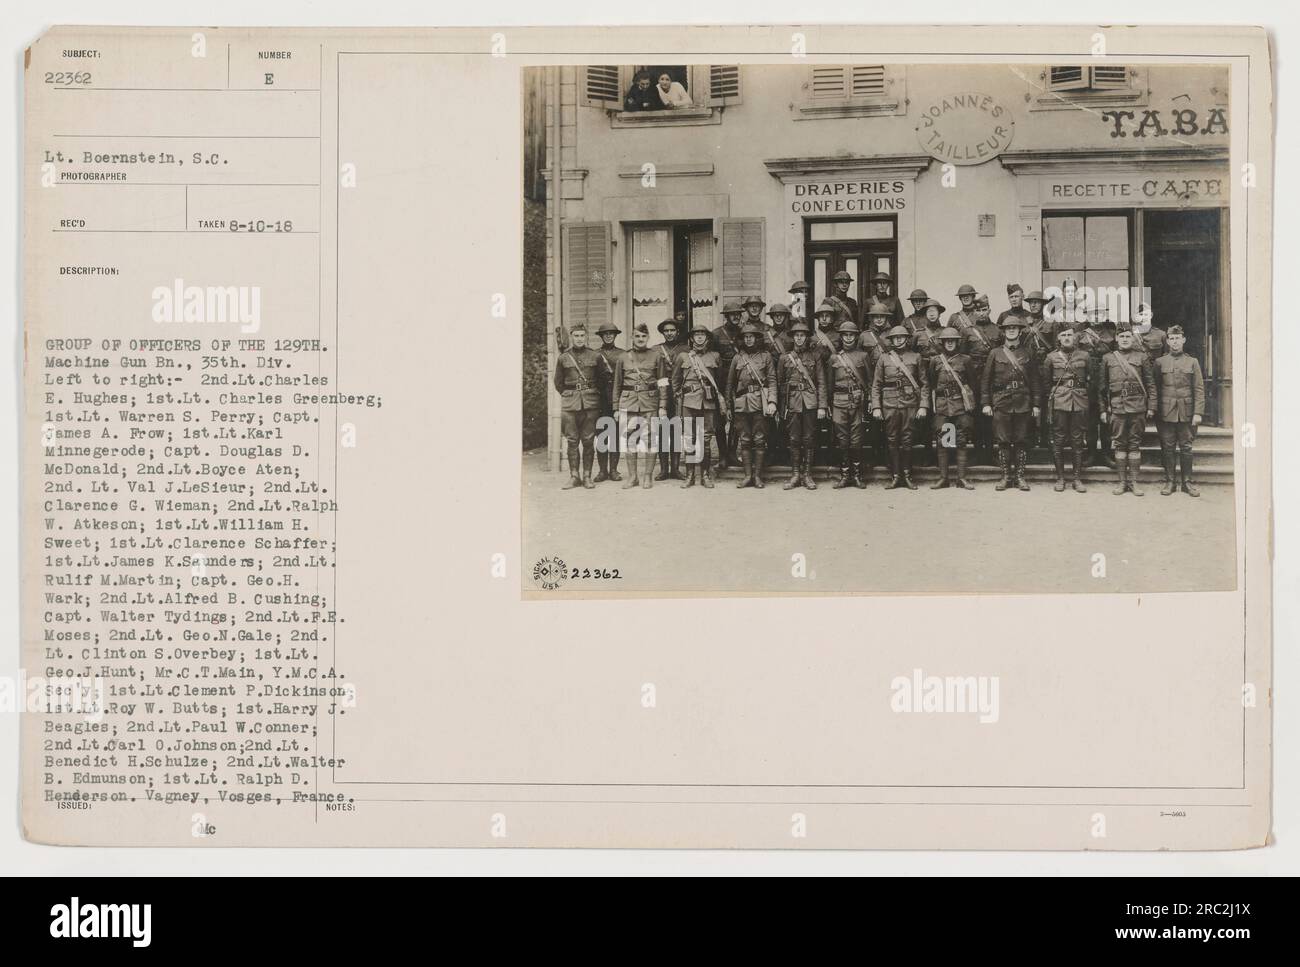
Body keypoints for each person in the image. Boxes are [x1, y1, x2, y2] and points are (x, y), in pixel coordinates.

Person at [981, 315, 1041, 492]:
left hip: (1023, 401)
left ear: (1020, 331)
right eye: (1008, 328)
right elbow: (986, 381)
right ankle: (1006, 476)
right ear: (1004, 331)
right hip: (1001, 401)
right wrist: (986, 403)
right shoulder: (995, 353)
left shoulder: (1028, 353)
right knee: (1003, 441)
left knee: (1021, 440)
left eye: (1015, 328)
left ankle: (1020, 477)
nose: (1012, 330)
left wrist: (1036, 404)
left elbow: (1035, 381)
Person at [1099, 324, 1157, 496]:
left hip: (1138, 406)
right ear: (1116, 338)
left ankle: (1134, 482)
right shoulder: (1108, 358)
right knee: (1119, 444)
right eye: (1121, 336)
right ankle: (1122, 482)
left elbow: (1150, 384)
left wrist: (1152, 406)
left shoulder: (1142, 357)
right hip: (1117, 407)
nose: (1124, 339)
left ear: (1132, 338)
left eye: (1127, 337)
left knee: (1134, 444)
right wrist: (1103, 409)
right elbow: (1101, 388)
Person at [871, 325, 930, 490]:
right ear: (891, 340)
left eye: (901, 337)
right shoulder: (883, 358)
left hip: (910, 403)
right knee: (891, 439)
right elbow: (876, 385)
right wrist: (876, 406)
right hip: (889, 404)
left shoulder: (916, 357)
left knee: (907, 439)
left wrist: (923, 406)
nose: (898, 340)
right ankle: (895, 476)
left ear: (906, 339)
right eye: (895, 338)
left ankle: (907, 475)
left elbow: (924, 384)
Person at [612, 321, 668, 489]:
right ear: (632, 337)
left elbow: (663, 382)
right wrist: (615, 408)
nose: (640, 339)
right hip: (628, 402)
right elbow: (617, 384)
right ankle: (633, 477)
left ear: (648, 337)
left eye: (644, 336)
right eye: (637, 336)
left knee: (651, 439)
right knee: (629, 440)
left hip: (650, 402)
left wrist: (663, 406)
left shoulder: (657, 356)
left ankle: (647, 476)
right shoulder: (623, 357)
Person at [1153, 324, 1205, 497]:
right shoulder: (1160, 362)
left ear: (1184, 340)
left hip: (1187, 412)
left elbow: (1198, 388)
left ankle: (1187, 483)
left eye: (1178, 338)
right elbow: (1156, 388)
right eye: (1172, 339)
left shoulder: (1192, 362)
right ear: (1167, 341)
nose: (1175, 342)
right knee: (1167, 448)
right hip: (1166, 412)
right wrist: (1156, 410)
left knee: (1186, 447)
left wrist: (1198, 412)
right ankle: (1170, 482)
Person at [1040, 326, 1093, 493]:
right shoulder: (1051, 357)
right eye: (1063, 335)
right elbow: (1046, 383)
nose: (1067, 338)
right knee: (1058, 439)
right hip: (1059, 401)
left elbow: (1091, 380)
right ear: (1058, 339)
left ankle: (1077, 479)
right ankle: (1060, 478)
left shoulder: (1085, 356)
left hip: (1079, 400)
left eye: (1070, 335)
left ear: (1075, 338)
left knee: (1078, 440)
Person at [552, 323, 604, 490]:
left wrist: (590, 394)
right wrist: (571, 394)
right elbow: (558, 383)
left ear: (586, 337)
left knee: (588, 441)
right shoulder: (563, 358)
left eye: (582, 336)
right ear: (572, 337)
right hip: (570, 404)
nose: (579, 339)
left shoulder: (595, 356)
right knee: (572, 441)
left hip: (590, 404)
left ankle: (587, 476)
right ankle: (574, 476)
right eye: (576, 336)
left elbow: (602, 381)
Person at [727, 320, 778, 488]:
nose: (749, 340)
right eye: (746, 337)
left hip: (759, 402)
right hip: (741, 403)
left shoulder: (766, 357)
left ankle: (757, 476)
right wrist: (728, 406)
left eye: (752, 337)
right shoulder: (737, 358)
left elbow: (772, 380)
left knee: (759, 439)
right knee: (745, 439)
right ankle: (747, 476)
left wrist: (772, 401)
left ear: (757, 339)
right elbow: (730, 385)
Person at [777, 319, 827, 490]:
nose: (799, 339)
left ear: (807, 338)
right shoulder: (784, 358)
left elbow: (821, 382)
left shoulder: (815, 356)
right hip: (792, 402)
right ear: (793, 338)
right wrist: (780, 407)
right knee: (793, 438)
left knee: (809, 438)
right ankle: (795, 474)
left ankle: (807, 475)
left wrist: (822, 406)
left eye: (802, 336)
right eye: (796, 336)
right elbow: (780, 383)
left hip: (810, 402)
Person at [672, 325, 723, 488]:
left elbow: (719, 381)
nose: (699, 338)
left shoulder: (715, 356)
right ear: (692, 338)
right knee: (689, 438)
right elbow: (675, 381)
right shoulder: (683, 357)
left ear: (707, 338)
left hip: (707, 402)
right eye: (696, 335)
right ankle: (690, 475)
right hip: (688, 402)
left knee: (705, 438)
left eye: (702, 335)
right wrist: (679, 398)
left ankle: (705, 475)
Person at [927, 327, 978, 490]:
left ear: (957, 342)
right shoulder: (935, 361)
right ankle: (944, 478)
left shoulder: (966, 360)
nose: (949, 343)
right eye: (946, 341)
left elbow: (972, 383)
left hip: (960, 406)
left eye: (952, 340)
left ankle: (961, 478)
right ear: (942, 343)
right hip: (942, 406)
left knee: (961, 440)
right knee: (944, 441)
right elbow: (932, 382)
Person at [828, 320, 875, 489]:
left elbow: (870, 382)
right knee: (842, 440)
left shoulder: (863, 356)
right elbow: (829, 384)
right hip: (838, 401)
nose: (848, 338)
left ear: (856, 337)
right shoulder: (834, 358)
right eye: (845, 335)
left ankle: (856, 475)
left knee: (856, 439)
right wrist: (828, 405)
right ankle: (844, 475)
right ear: (841, 337)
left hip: (858, 402)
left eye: (851, 335)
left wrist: (870, 400)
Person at [1072, 315, 1118, 468]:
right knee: (1090, 418)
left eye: (1099, 312)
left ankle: (1106, 453)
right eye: (1092, 312)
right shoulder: (1080, 335)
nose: (1096, 316)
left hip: (1107, 376)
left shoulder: (1112, 333)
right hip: (1088, 379)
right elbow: (1075, 357)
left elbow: (1117, 356)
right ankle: (1091, 453)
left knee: (1107, 417)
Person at [961, 293, 1001, 465]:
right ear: (974, 312)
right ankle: (977, 453)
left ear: (989, 310)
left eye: (984, 309)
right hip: (974, 379)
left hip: (993, 379)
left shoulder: (998, 330)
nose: (982, 313)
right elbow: (962, 356)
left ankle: (991, 453)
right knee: (976, 417)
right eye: (978, 311)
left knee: (991, 418)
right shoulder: (967, 331)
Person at [861, 301, 896, 472]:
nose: (879, 320)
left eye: (882, 316)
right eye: (876, 317)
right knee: (873, 422)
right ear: (872, 318)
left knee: (890, 422)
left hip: (889, 382)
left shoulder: (894, 334)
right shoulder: (864, 336)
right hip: (870, 381)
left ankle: (890, 459)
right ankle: (875, 457)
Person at [711, 300, 745, 469]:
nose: (736, 317)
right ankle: (723, 455)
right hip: (721, 379)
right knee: (720, 418)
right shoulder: (716, 334)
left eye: (738, 314)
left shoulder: (744, 333)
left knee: (737, 417)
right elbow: (711, 358)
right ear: (727, 316)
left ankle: (732, 453)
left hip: (739, 380)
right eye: (733, 314)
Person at [591, 321, 625, 482]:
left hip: (618, 399)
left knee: (616, 435)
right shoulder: (595, 354)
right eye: (606, 334)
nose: (609, 336)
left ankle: (614, 470)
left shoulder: (623, 354)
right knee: (602, 435)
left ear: (616, 335)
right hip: (600, 399)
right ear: (602, 336)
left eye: (612, 333)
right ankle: (602, 471)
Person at [654, 318, 688, 481]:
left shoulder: (686, 349)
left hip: (679, 393)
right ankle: (663, 469)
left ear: (677, 332)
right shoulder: (656, 350)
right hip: (661, 393)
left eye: (672, 330)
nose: (669, 333)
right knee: (662, 431)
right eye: (666, 331)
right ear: (662, 332)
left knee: (676, 430)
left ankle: (675, 469)